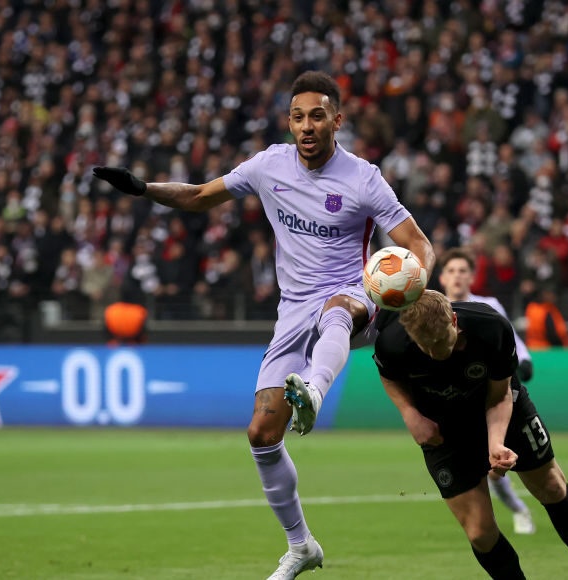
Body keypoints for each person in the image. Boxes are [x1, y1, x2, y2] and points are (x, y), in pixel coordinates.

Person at [93, 71, 434, 580]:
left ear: (337, 120)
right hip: (292, 309)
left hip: (353, 293)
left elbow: (417, 242)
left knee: (337, 309)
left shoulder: (364, 178)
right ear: (289, 123)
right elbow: (198, 195)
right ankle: (301, 546)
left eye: (317, 115)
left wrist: (416, 280)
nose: (306, 126)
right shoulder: (268, 165)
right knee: (261, 434)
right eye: (298, 117)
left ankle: (314, 392)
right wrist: (143, 188)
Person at [374, 290, 568, 580]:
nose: (435, 353)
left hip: (501, 406)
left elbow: (499, 397)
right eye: (426, 347)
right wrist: (410, 415)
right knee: (479, 533)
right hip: (443, 429)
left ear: (454, 321)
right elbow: (389, 377)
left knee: (551, 486)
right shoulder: (393, 341)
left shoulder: (491, 327)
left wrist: (496, 442)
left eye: (440, 341)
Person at [438, 248, 536, 534]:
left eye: (463, 270)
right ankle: (488, 523)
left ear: (472, 276)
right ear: (442, 277)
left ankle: (518, 510)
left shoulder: (487, 304)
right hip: (454, 400)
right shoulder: (434, 307)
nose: (457, 276)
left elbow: (510, 336)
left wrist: (524, 359)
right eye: (451, 271)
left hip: (490, 395)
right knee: (474, 469)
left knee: (494, 468)